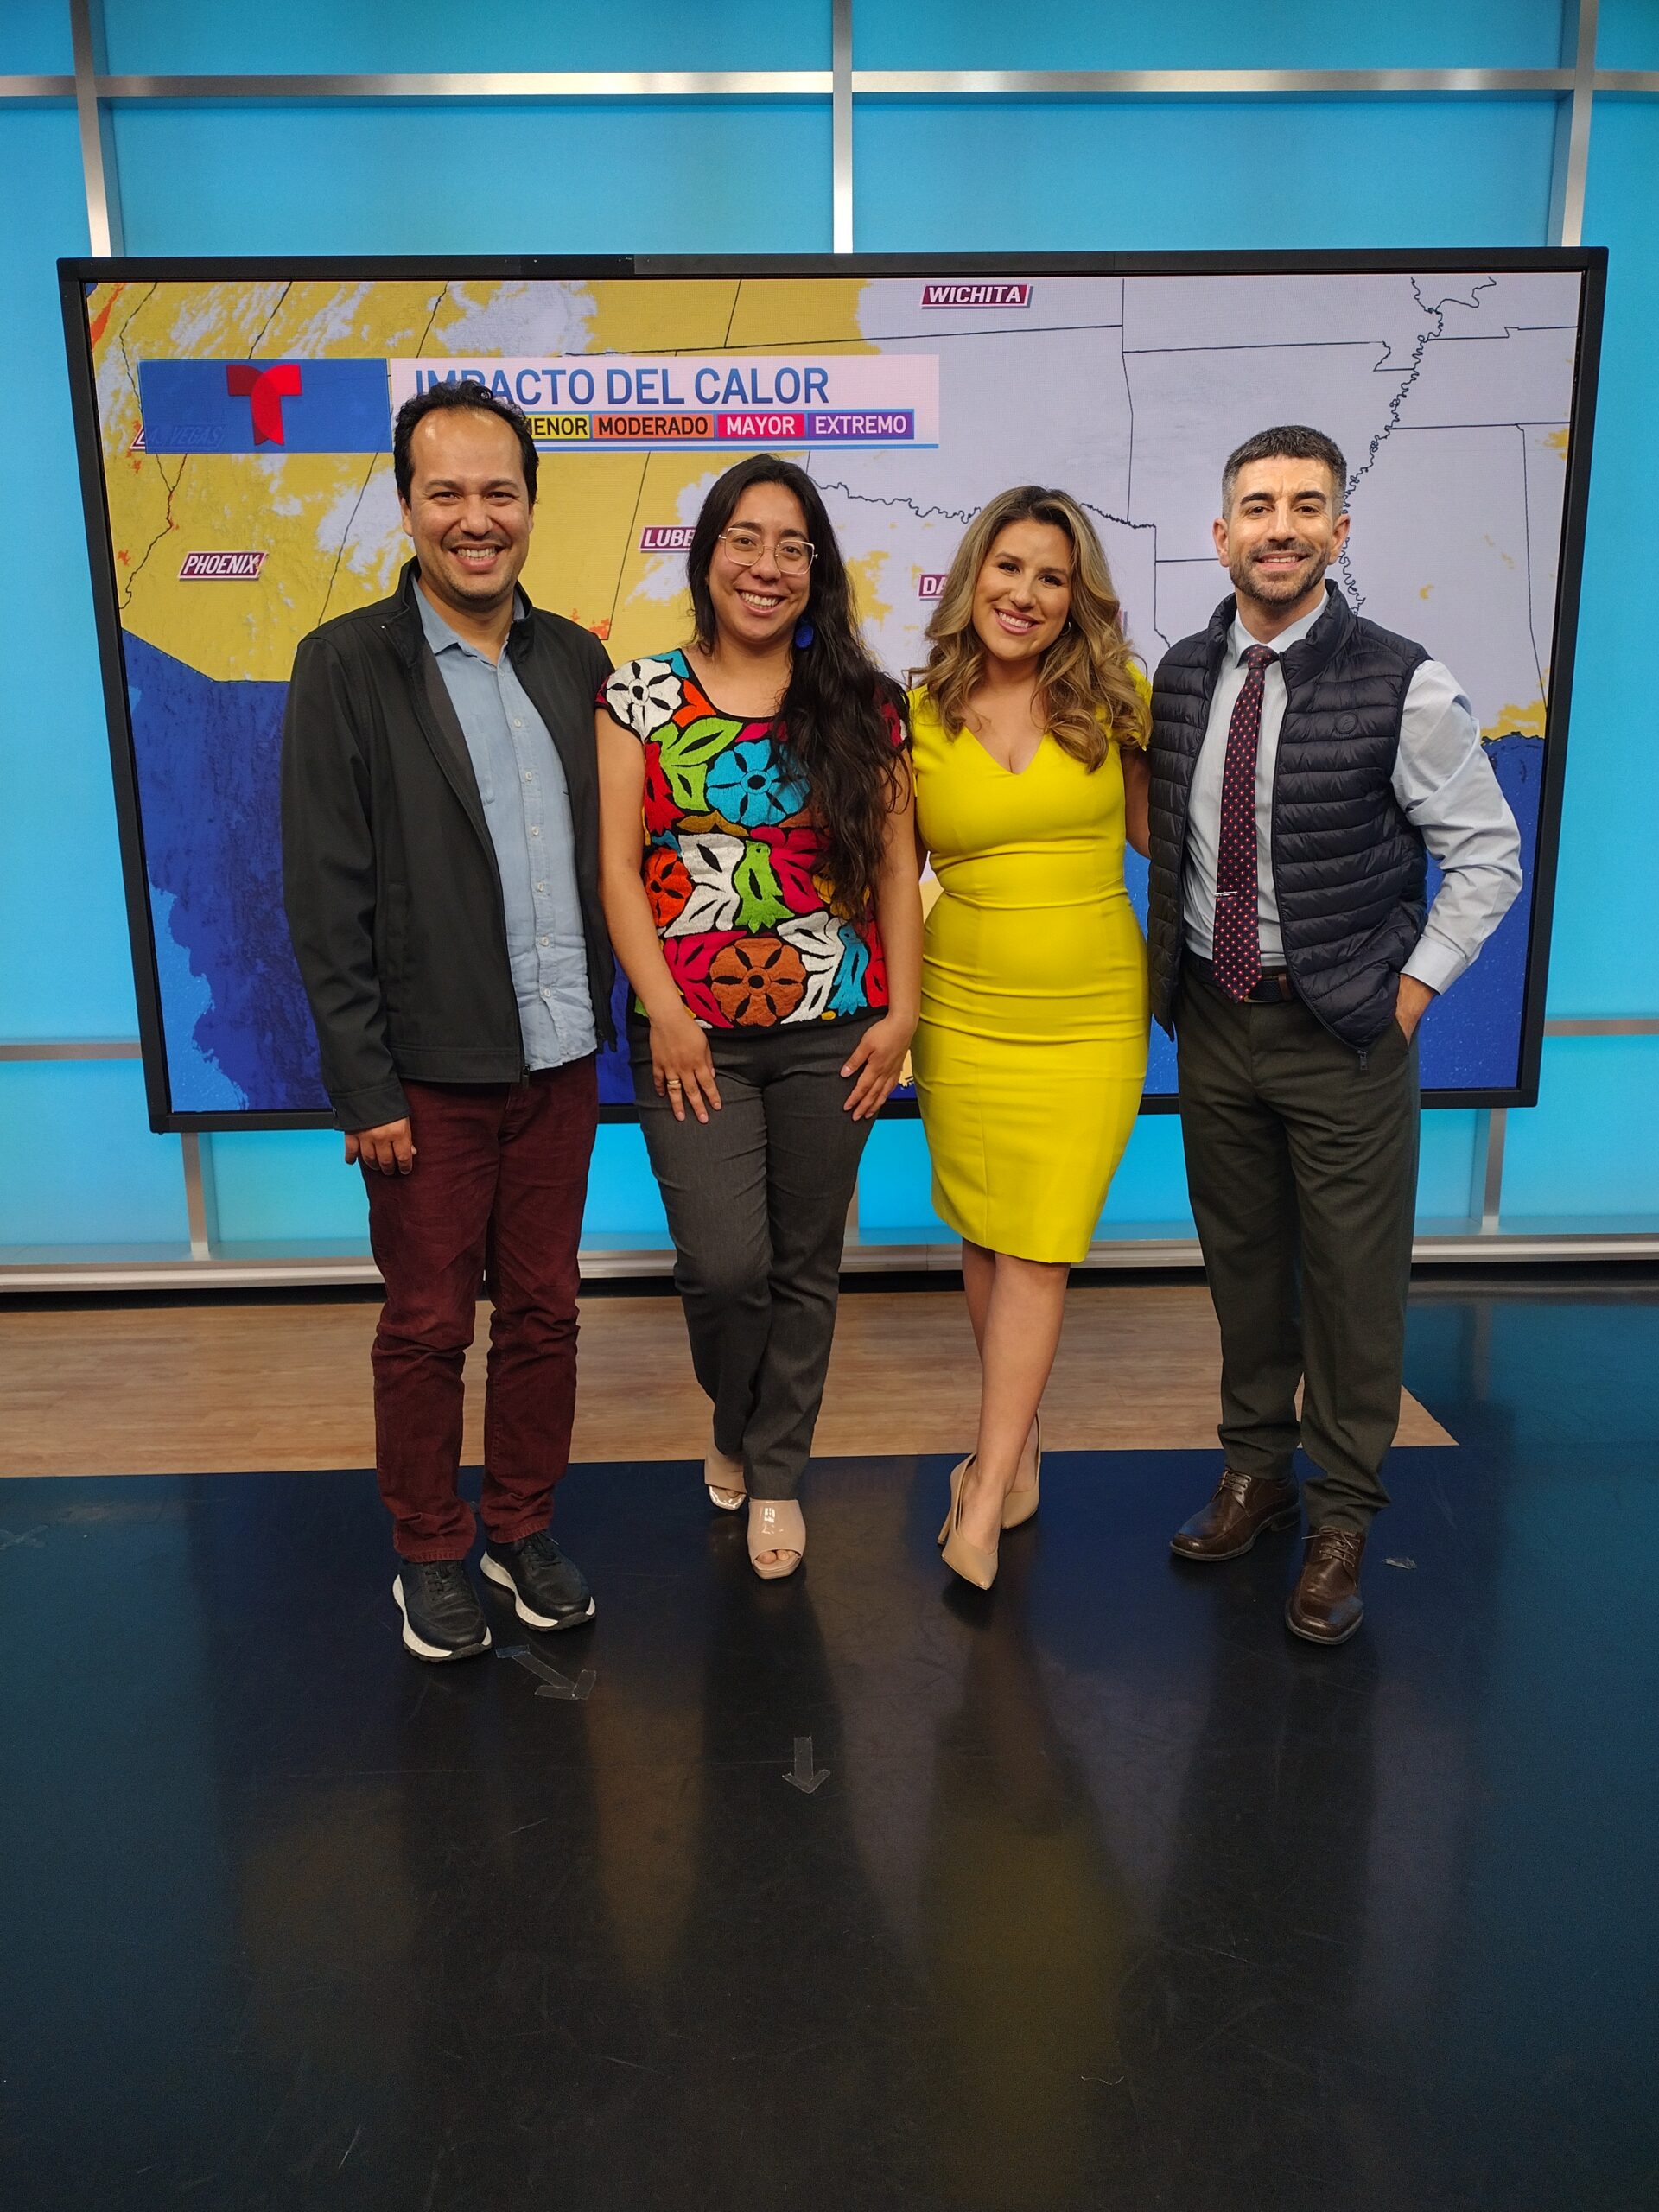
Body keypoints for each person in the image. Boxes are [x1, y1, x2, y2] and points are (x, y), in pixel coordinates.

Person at [1148, 424, 1522, 1644]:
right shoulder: (1183, 675)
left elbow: (1485, 856)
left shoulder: (1403, 680)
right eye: (1257, 505)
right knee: (1246, 1272)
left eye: (1307, 505)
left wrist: (1407, 997)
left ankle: (1344, 1516)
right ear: (1222, 533)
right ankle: (1255, 1477)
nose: (1280, 526)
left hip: (1348, 1037)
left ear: (1340, 532)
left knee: (1356, 1293)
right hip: (1217, 1023)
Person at [282, 382, 614, 1662]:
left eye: (499, 493)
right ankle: (428, 1548)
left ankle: (519, 1527)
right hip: (423, 1077)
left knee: (546, 1311)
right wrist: (362, 1086)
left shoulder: (573, 660)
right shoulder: (344, 664)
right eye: (447, 494)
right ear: (408, 506)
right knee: (427, 1325)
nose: (477, 519)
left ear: (530, 505)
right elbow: (325, 893)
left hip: (563, 1055)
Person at [596, 454, 922, 1579]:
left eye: (793, 545)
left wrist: (903, 1014)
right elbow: (617, 871)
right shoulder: (638, 694)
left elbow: (892, 871)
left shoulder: (867, 705)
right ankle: (735, 1418)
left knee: (805, 1264)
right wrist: (664, 1012)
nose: (767, 565)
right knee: (726, 1267)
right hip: (692, 1035)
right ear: (708, 554)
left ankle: (776, 1471)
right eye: (746, 539)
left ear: (817, 569)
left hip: (839, 1025)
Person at [910, 486, 1153, 1592]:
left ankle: (984, 1482)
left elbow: (1174, 832)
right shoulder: (911, 713)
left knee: (1042, 1241)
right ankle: (1022, 1442)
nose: (1027, 593)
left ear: (1077, 596)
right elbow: (882, 876)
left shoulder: (1116, 699)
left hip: (1092, 1011)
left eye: (1052, 576)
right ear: (973, 578)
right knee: (987, 1230)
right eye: (1009, 568)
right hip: (962, 1012)